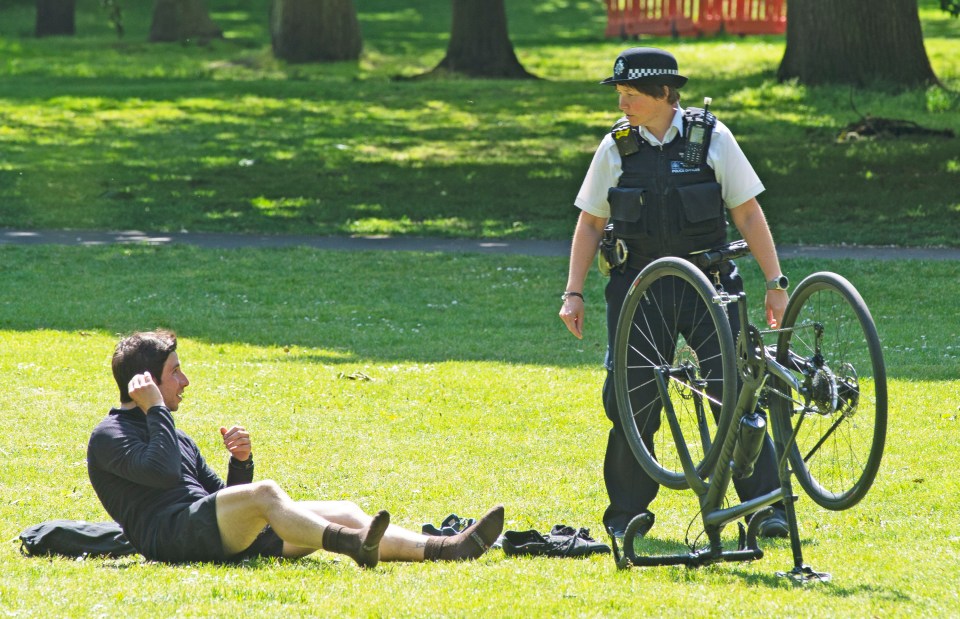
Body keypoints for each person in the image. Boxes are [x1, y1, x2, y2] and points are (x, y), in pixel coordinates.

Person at [558, 48, 790, 540]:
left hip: (709, 286)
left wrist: (775, 283)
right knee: (632, 398)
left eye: (631, 95)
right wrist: (573, 292)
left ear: (665, 94)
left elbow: (747, 213)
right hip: (639, 287)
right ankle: (627, 516)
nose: (622, 103)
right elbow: (591, 221)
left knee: (734, 389)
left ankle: (765, 506)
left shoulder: (713, 138)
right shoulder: (615, 148)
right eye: (619, 94)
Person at [87, 329, 504, 566]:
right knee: (267, 494)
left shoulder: (173, 435)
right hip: (171, 540)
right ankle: (351, 545)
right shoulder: (109, 436)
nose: (185, 381)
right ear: (144, 383)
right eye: (174, 372)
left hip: (207, 532)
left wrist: (240, 464)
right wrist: (157, 410)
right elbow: (160, 473)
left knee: (343, 508)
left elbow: (214, 498)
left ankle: (448, 548)